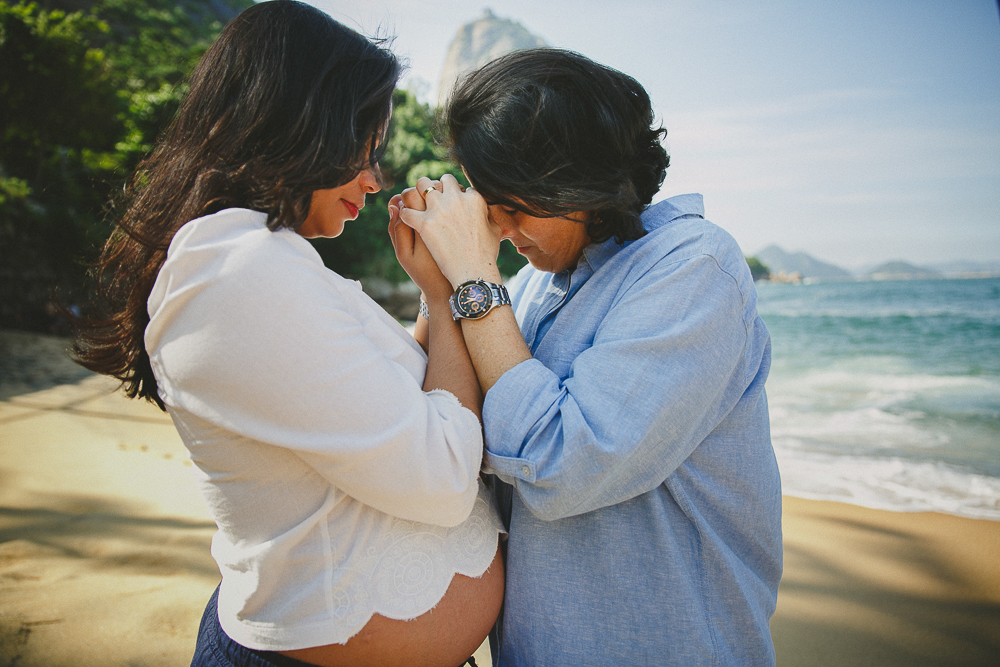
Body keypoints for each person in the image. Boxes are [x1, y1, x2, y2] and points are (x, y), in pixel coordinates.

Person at [71, 2, 504, 666]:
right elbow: (444, 474)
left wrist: (433, 290)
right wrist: (451, 299)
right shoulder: (244, 274)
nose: (374, 177)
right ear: (299, 126)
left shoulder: (252, 263)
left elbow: (389, 411)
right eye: (363, 144)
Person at [394, 48, 783, 666]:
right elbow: (430, 429)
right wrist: (441, 292)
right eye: (484, 201)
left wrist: (472, 274)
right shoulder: (519, 289)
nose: (495, 225)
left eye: (513, 205)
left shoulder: (692, 267)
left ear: (575, 182)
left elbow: (563, 464)